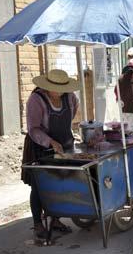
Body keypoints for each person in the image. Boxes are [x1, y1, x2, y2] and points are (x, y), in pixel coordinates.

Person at [21, 69, 79, 241]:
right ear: (47, 86)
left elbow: (72, 115)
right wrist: (50, 141)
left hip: (65, 145)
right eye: (56, 88)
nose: (60, 92)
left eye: (62, 88)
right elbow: (33, 128)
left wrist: (62, 141)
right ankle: (38, 223)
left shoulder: (71, 97)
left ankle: (55, 219)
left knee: (61, 183)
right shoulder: (36, 100)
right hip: (40, 146)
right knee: (39, 187)